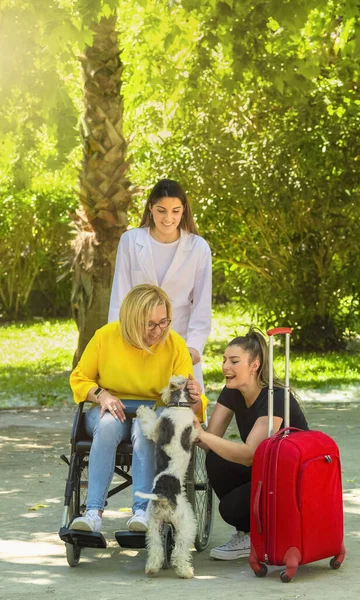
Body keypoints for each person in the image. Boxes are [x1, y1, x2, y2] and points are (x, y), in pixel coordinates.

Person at [70, 284, 208, 534]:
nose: (159, 330)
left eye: (164, 322)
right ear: (132, 321)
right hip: (109, 408)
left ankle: (142, 512)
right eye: (150, 324)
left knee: (147, 428)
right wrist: (101, 395)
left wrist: (194, 397)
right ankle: (93, 513)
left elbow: (189, 402)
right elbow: (79, 378)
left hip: (153, 411)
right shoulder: (105, 337)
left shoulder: (175, 344)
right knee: (108, 425)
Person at [193, 327, 309, 560]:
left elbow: (250, 454)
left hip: (289, 479)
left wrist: (204, 436)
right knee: (216, 456)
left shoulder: (275, 397)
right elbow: (208, 441)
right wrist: (194, 406)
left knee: (229, 509)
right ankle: (248, 535)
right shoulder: (232, 392)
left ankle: (259, 532)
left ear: (254, 365)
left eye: (234, 361)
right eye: (224, 360)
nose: (225, 366)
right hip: (266, 469)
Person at [108, 179, 212, 390]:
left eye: (175, 211)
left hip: (180, 342)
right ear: (150, 208)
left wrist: (194, 347)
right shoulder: (130, 241)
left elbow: (202, 303)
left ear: (184, 210)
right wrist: (117, 341)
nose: (168, 218)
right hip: (137, 339)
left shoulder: (198, 247)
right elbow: (120, 297)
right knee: (137, 409)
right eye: (161, 210)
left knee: (182, 414)